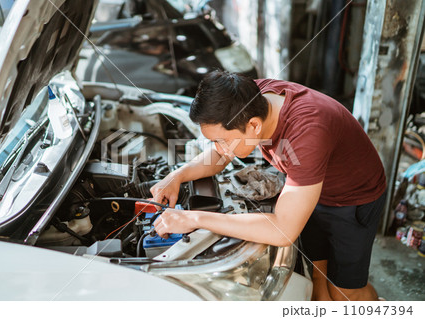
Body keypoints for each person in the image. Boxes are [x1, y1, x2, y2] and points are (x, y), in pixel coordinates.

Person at [150, 70, 386, 301]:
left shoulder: (307, 132)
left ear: (254, 126)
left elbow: (282, 230)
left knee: (345, 293)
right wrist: (176, 177)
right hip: (307, 190)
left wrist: (194, 218)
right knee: (319, 281)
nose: (218, 148)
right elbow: (219, 157)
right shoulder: (248, 98)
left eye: (222, 140)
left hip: (351, 199)